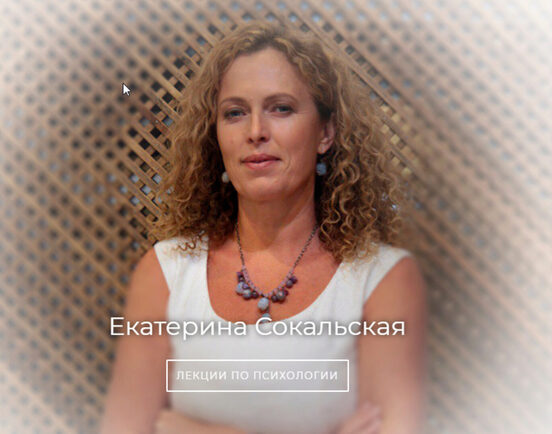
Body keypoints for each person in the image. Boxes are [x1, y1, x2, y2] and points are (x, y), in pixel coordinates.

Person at [101, 21, 426, 434]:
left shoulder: (383, 280)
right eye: (235, 113)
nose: (256, 132)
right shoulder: (165, 273)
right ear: (216, 136)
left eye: (281, 108)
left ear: (325, 133)